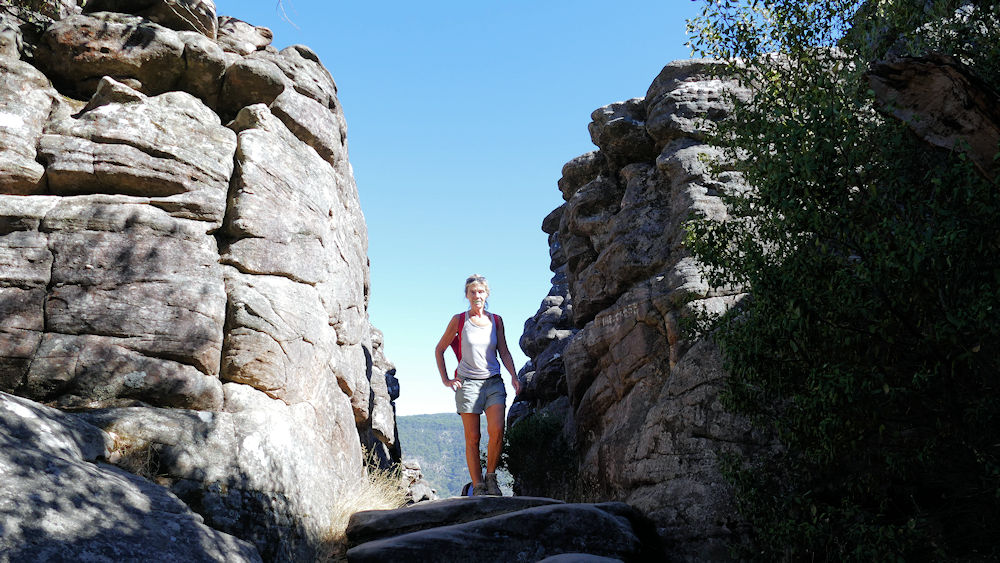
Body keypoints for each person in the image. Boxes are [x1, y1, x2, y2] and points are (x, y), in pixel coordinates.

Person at [435, 274, 521, 496]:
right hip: (468, 384)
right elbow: (440, 349)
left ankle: (491, 477)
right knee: (473, 438)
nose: (477, 296)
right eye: (472, 292)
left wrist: (514, 376)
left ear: (487, 294)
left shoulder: (496, 321)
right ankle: (478, 485)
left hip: (493, 382)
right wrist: (446, 379)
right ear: (467, 295)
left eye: (481, 291)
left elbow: (504, 351)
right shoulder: (459, 320)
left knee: (497, 430)